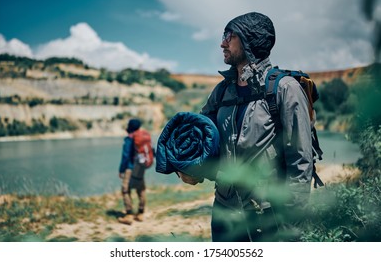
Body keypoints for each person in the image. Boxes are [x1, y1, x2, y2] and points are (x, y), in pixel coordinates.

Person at [178, 12, 314, 241]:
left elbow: (300, 162)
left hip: (268, 215)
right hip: (224, 210)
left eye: (229, 36)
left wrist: (292, 225)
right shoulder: (222, 91)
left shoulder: (284, 89)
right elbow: (202, 138)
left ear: (249, 40)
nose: (222, 43)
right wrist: (188, 167)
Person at [118, 118, 150, 225]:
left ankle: (129, 214)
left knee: (125, 190)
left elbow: (126, 156)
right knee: (141, 189)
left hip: (130, 168)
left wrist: (121, 170)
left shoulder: (129, 139)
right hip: (140, 167)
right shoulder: (142, 137)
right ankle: (140, 213)